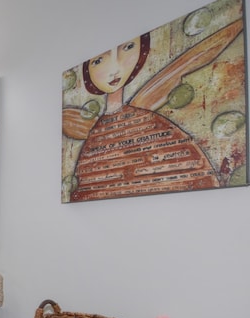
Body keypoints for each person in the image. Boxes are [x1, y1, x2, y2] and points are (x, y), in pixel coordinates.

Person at [63, 18, 244, 202]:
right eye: (99, 61)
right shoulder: (95, 129)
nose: (115, 68)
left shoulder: (145, 116)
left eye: (127, 48)